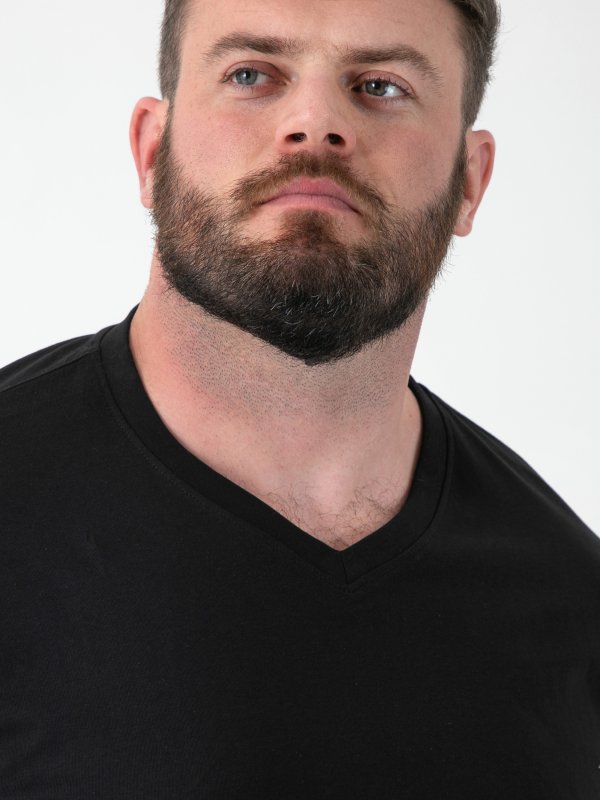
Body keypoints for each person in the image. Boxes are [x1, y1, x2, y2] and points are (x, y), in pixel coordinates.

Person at [1, 0, 598, 796]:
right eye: (252, 74)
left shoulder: (568, 603)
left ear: (470, 180)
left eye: (380, 86)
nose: (315, 124)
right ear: (151, 150)